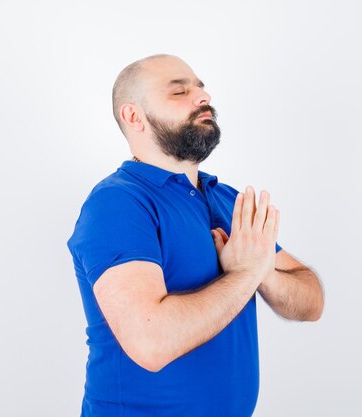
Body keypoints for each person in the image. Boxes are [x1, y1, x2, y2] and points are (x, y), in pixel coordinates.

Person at [66, 53, 324, 417]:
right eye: (179, 92)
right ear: (133, 116)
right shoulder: (118, 203)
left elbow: (311, 301)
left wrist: (263, 272)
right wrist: (246, 274)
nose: (202, 98)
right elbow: (151, 342)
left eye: (200, 88)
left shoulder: (225, 198)